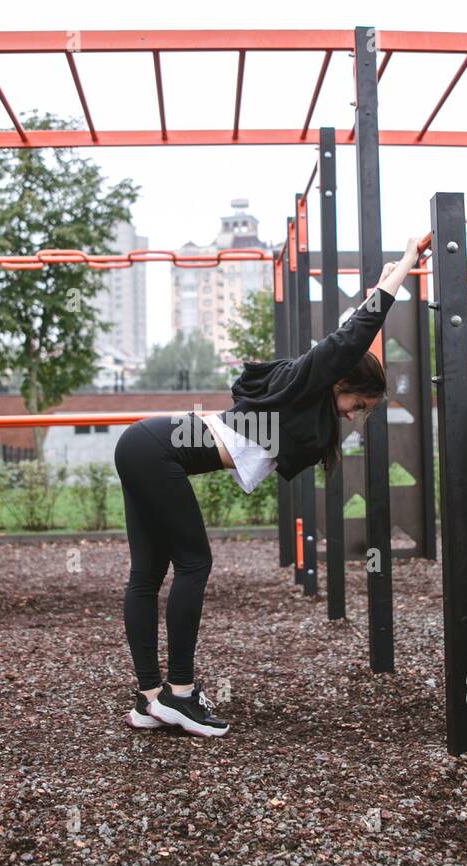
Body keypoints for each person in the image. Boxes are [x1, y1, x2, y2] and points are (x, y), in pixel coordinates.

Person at [113, 237, 425, 736]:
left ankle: (150, 700)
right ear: (341, 383)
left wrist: (385, 276)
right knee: (194, 563)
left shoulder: (300, 395)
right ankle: (179, 693)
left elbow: (354, 335)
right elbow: (354, 333)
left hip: (145, 442)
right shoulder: (309, 381)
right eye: (358, 406)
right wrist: (404, 268)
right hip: (157, 447)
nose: (354, 416)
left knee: (148, 574)